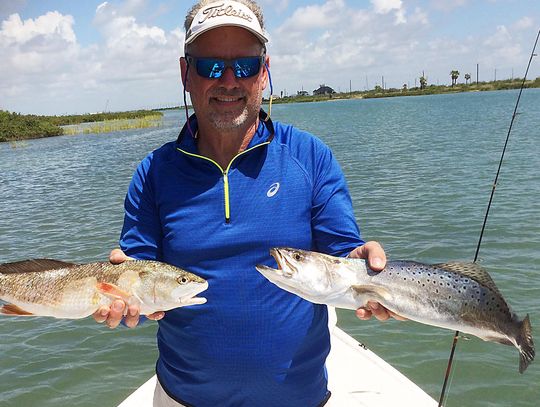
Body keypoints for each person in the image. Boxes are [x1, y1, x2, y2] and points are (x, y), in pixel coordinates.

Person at [94, 1, 401, 405]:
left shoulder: (309, 157)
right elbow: (137, 273)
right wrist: (121, 299)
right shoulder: (153, 173)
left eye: (244, 66)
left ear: (265, 70)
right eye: (209, 66)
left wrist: (363, 266)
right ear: (186, 74)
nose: (228, 80)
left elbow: (341, 251)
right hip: (181, 398)